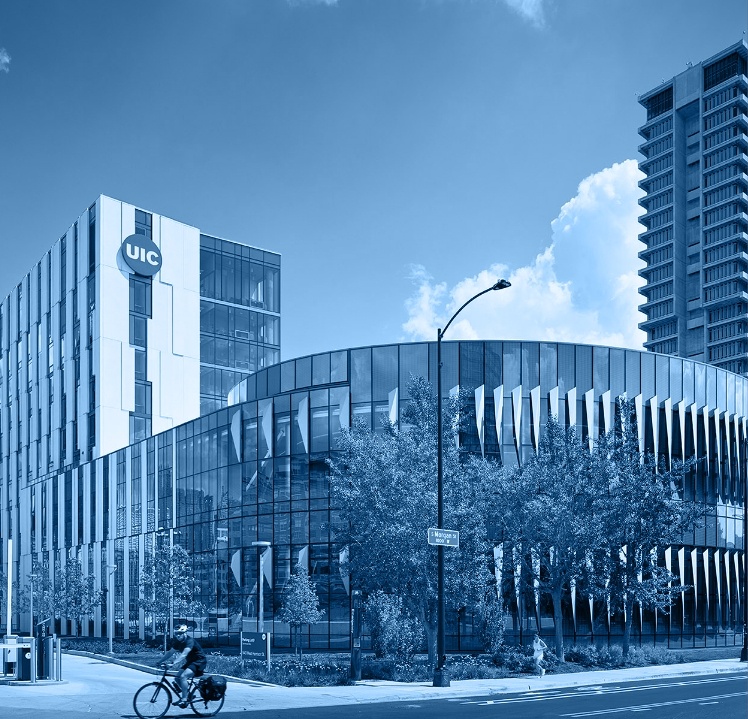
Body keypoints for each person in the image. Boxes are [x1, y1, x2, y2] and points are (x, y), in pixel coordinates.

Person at [160, 624, 207, 708]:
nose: (178, 635)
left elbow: (184, 655)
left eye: (180, 633)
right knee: (177, 678)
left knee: (183, 676)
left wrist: (172, 663)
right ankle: (189, 696)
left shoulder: (189, 641)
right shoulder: (178, 642)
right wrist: (159, 662)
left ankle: (184, 699)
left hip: (199, 662)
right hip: (191, 662)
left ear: (185, 633)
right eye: (176, 633)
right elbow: (170, 652)